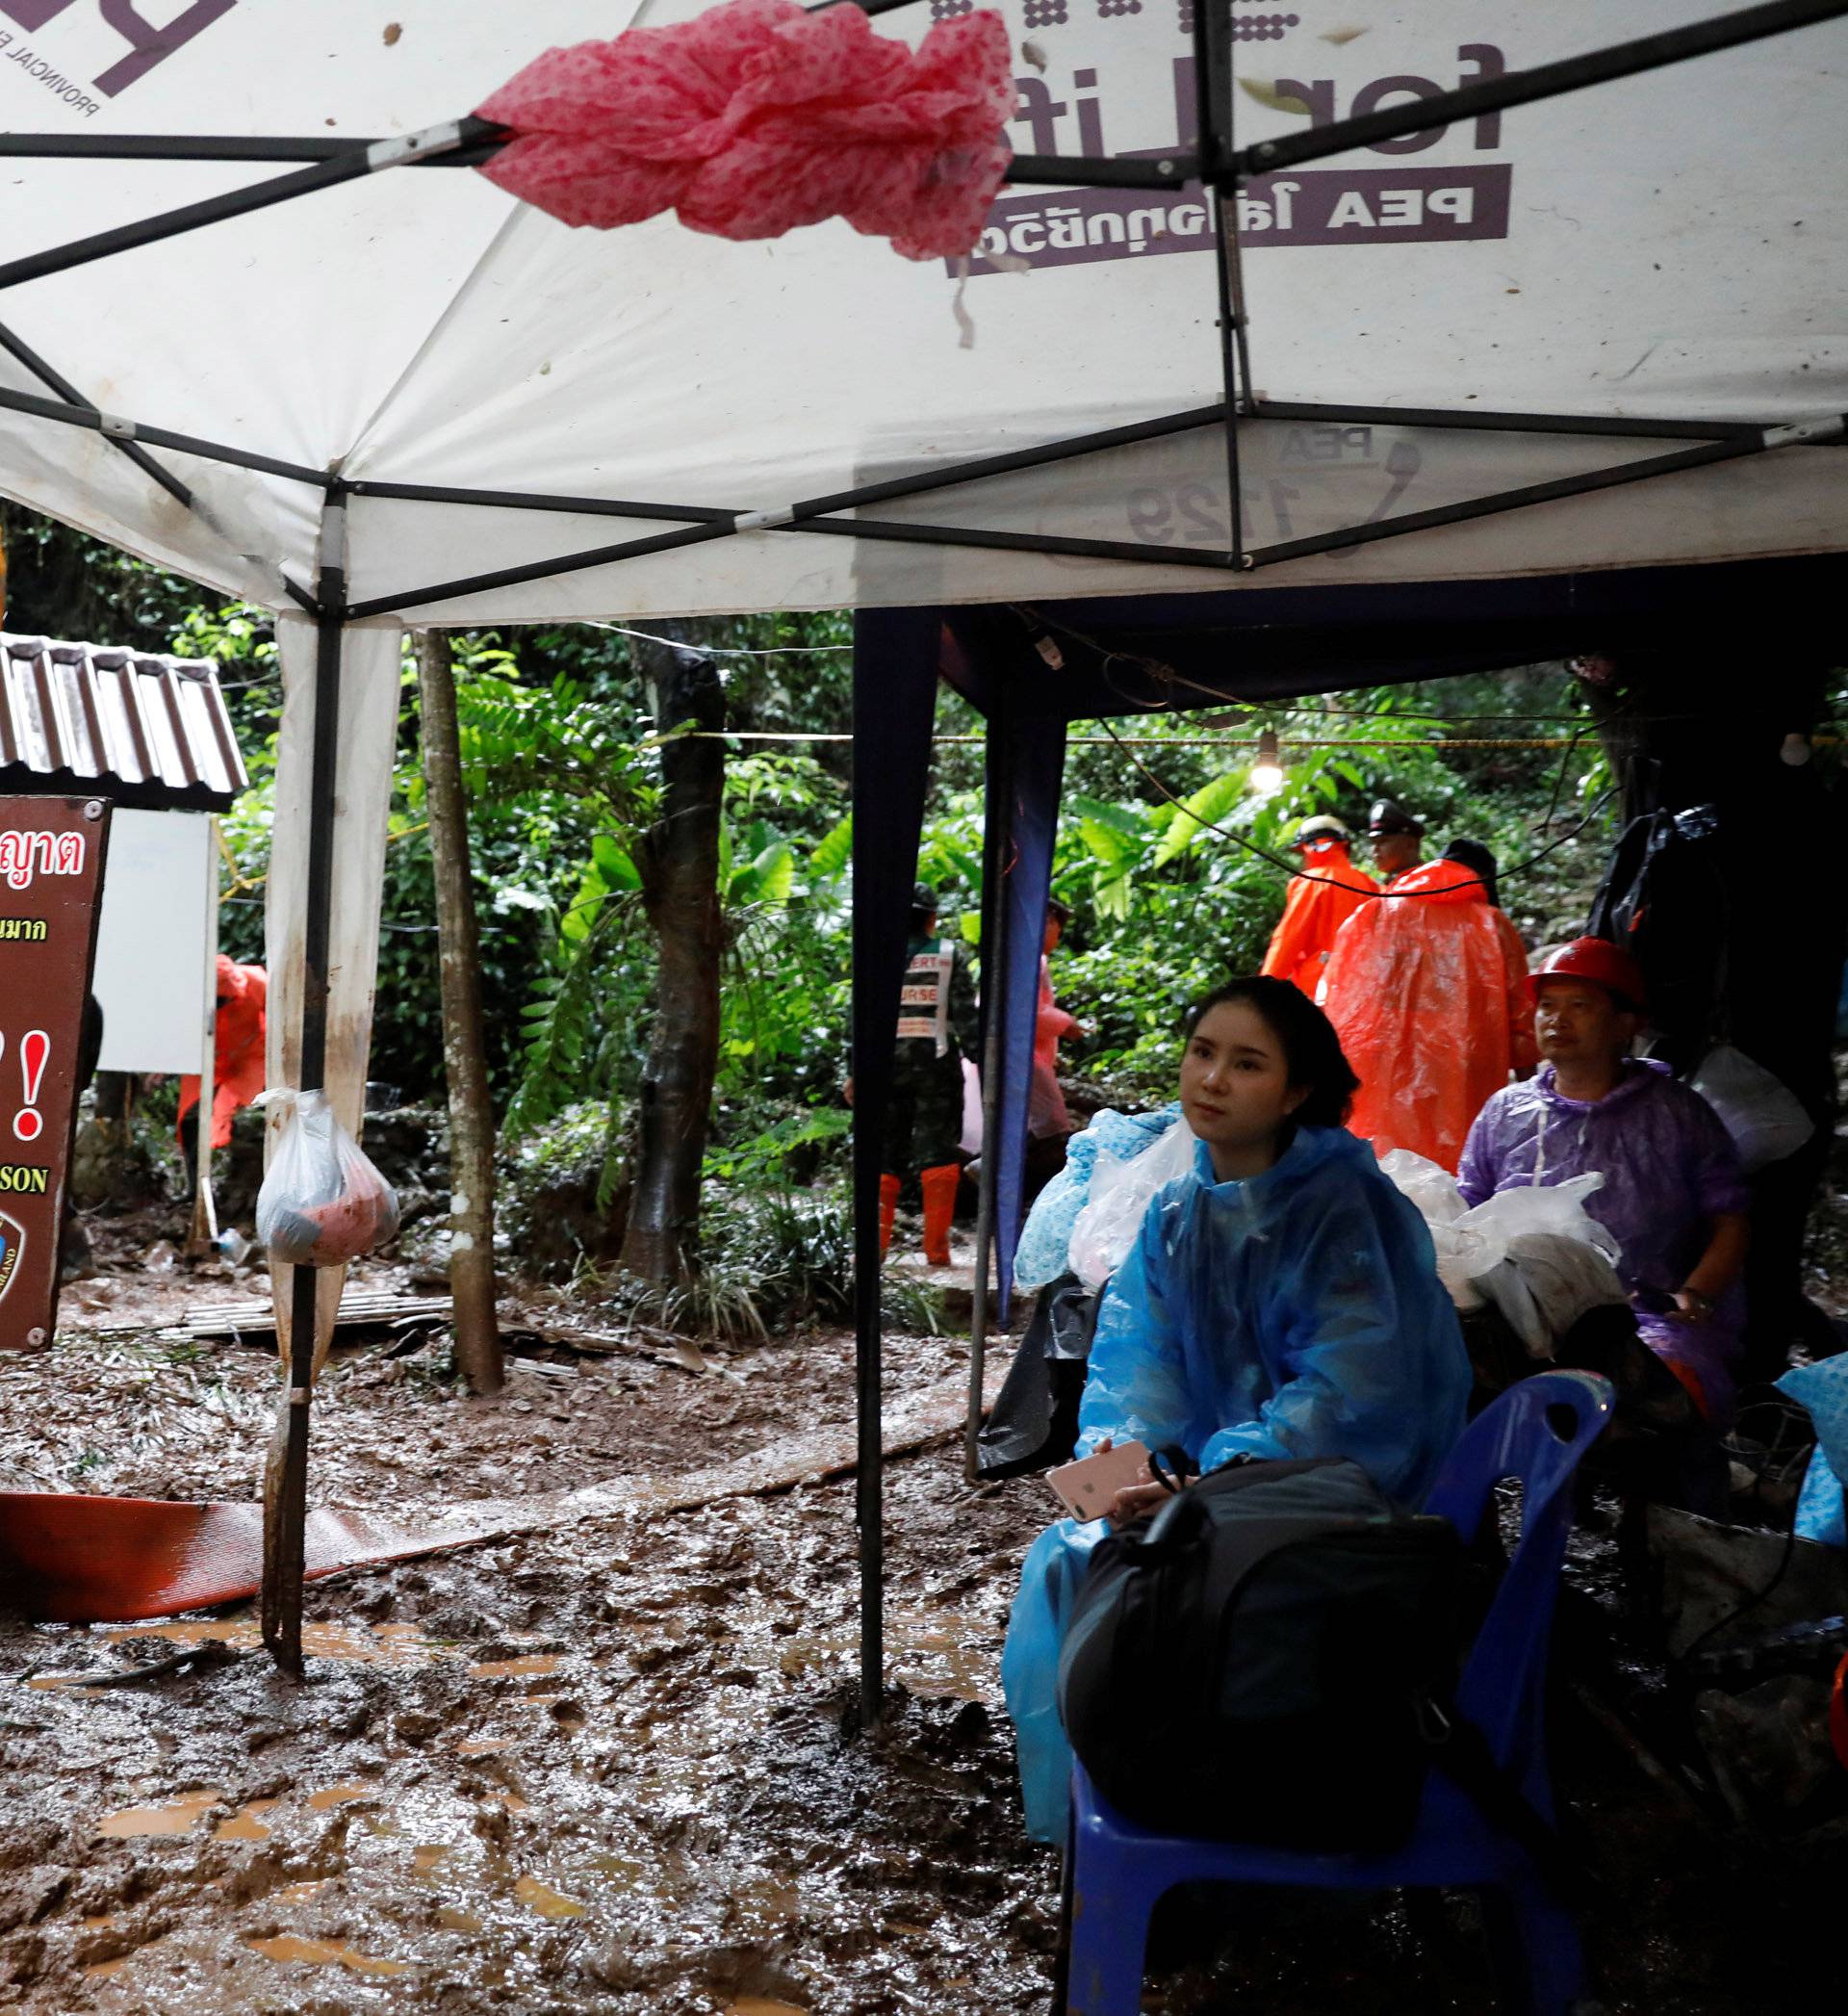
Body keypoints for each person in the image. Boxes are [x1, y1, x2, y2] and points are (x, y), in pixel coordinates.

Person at [1001, 976, 1471, 1842]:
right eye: (1203, 1052)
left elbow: (1353, 1395)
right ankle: (1121, 1806)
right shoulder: (1177, 1209)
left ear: (1296, 1092)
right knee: (1073, 1550)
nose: (1211, 1079)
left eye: (1246, 1064)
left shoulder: (1345, 1207)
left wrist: (1208, 1483)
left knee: (1159, 1582)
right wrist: (1130, 1465)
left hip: (1340, 1493)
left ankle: (1207, 1804)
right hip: (1213, 1485)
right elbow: (1138, 1362)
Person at [1457, 937, 1751, 1422]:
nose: (1556, 1019)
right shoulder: (1503, 1113)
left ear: (1626, 1024)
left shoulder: (1677, 1113)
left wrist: (1695, 1297)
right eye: (1547, 1006)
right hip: (1520, 1314)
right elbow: (1467, 1212)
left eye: (1580, 1005)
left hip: (1649, 1317)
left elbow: (1730, 1217)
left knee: (1664, 1399)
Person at [1319, 848, 1535, 1171]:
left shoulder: (1373, 915)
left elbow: (1336, 1002)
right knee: (1454, 1175)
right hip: (1463, 1067)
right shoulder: (1492, 924)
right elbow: (1522, 1022)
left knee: (1380, 1166)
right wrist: (1531, 1098)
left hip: (1379, 1065)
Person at [881, 884, 979, 1266]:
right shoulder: (949, 954)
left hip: (883, 1069)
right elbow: (966, 1018)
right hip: (935, 1067)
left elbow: (857, 1016)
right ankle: (936, 1251)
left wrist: (853, 1071)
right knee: (938, 1153)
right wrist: (981, 1060)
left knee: (884, 1155)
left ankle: (876, 1248)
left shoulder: (877, 953)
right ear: (931, 918)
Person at [1259, 814, 1380, 998]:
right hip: (1365, 988)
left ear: (1309, 848)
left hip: (1319, 987)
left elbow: (1288, 940)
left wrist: (1262, 991)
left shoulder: (1310, 882)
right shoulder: (1369, 884)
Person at [177, 954, 268, 1173]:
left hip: (249, 1056)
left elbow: (282, 1021)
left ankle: (251, 1173)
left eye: (222, 1000)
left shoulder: (258, 982)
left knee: (256, 1110)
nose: (218, 1007)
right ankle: (194, 1181)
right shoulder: (191, 994)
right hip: (209, 1058)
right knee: (189, 1118)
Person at [1026, 896, 1079, 1189]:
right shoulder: (1033, 958)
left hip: (1027, 1053)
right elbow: (1029, 1011)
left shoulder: (1025, 956)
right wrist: (1066, 1024)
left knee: (1035, 1123)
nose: (1057, 938)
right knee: (1053, 1126)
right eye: (1058, 929)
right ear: (1049, 923)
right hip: (1024, 1056)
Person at [1368, 797, 1424, 888]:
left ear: (1410, 844)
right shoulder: (1384, 887)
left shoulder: (1430, 883)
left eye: (1383, 841)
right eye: (1373, 842)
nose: (1375, 849)